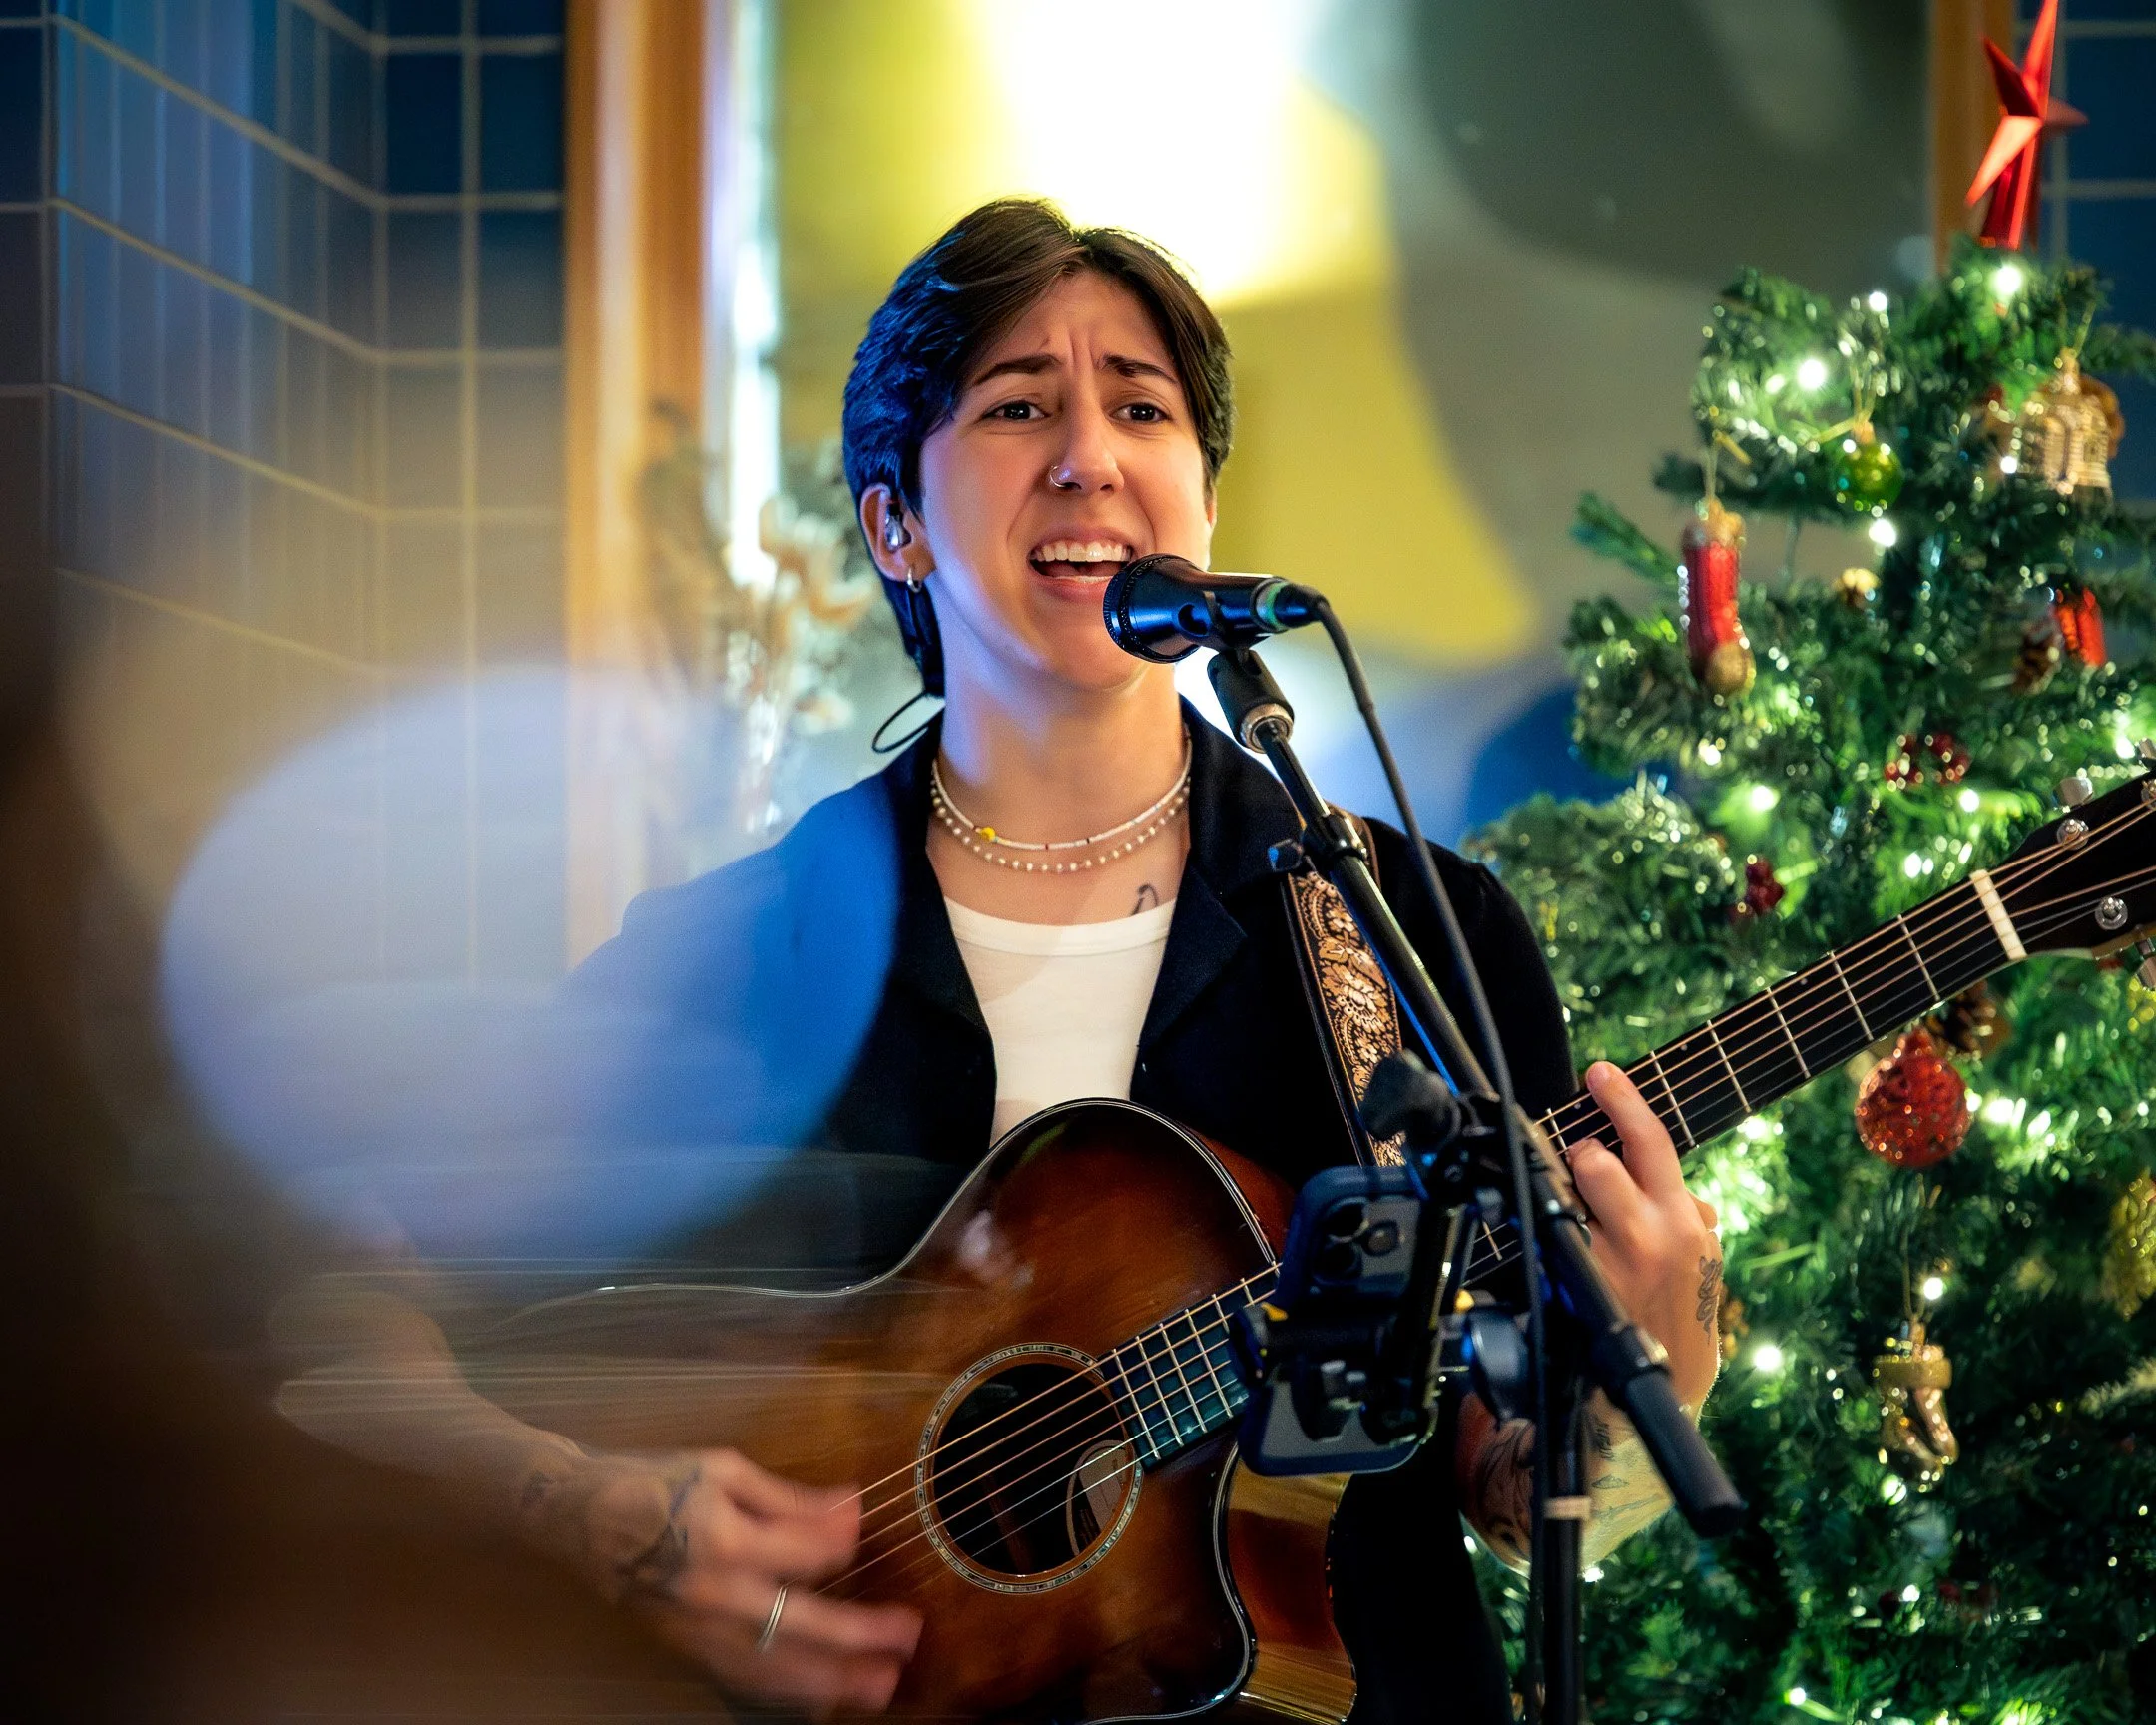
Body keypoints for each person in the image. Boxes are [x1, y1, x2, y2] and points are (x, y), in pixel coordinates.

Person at [284, 199, 1722, 1724]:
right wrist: (576, 1511)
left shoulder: (1409, 933)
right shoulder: (733, 959)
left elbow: (1513, 1499)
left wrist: (1659, 1359)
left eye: (1143, 408)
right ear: (896, 521)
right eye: (1021, 404)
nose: (1089, 454)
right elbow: (321, 1321)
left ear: (1201, 506)